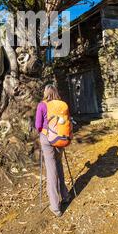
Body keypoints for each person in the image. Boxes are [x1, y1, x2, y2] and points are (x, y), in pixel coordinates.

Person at [35, 84, 70, 217]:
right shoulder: (62, 104)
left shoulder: (42, 105)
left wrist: (43, 132)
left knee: (51, 170)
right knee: (59, 165)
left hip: (47, 139)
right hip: (60, 139)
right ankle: (65, 196)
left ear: (45, 92)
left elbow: (38, 125)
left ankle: (55, 206)